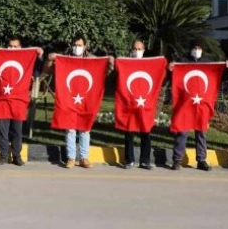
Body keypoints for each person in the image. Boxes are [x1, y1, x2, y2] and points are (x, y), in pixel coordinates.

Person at [46, 34, 114, 169]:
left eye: (79, 45)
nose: (77, 48)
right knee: (70, 129)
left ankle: (84, 158)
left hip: (86, 99)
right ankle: (71, 158)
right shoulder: (65, 59)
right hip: (69, 99)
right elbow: (49, 70)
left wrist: (110, 63)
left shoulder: (92, 60)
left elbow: (104, 72)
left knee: (85, 129)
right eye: (75, 45)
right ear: (71, 46)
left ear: (85, 46)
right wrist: (49, 60)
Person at [0, 36, 44, 167]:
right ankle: (3, 156)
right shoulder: (1, 59)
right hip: (3, 100)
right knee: (3, 131)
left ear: (21, 48)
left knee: (17, 131)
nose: (12, 48)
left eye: (15, 46)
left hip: (18, 101)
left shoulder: (25, 61)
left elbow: (36, 72)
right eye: (10, 46)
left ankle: (16, 156)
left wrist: (40, 56)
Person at [168, 39, 228, 171]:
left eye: (199, 48)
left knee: (202, 131)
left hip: (201, 103)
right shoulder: (182, 61)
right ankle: (177, 159)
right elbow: (172, 78)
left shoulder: (207, 63)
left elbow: (217, 77)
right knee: (182, 131)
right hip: (186, 103)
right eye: (195, 48)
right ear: (190, 48)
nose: (197, 50)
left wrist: (226, 70)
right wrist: (170, 70)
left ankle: (201, 160)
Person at [122, 39, 156, 170]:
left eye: (139, 49)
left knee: (146, 132)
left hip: (145, 103)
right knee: (129, 133)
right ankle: (129, 160)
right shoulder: (126, 64)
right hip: (130, 103)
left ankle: (145, 160)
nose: (137, 52)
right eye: (135, 49)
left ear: (144, 50)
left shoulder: (149, 65)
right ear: (131, 50)